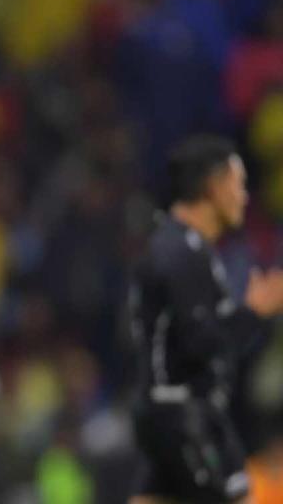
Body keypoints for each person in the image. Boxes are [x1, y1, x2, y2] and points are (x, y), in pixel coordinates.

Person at [128, 135, 283, 504]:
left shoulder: (182, 247)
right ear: (213, 187)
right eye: (237, 184)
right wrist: (254, 313)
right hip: (187, 417)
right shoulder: (182, 254)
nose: (244, 196)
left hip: (169, 413)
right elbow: (201, 345)